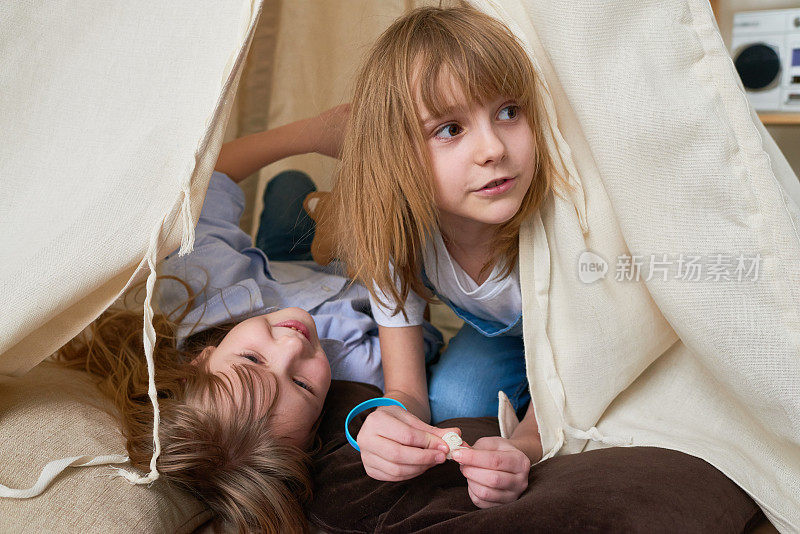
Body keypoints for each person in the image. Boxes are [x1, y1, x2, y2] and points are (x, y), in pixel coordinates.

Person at [55, 108, 448, 534]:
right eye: (303, 385)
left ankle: (288, 229)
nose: (292, 347)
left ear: (202, 358)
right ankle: (314, 232)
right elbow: (415, 326)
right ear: (318, 419)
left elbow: (204, 178)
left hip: (274, 268)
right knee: (300, 199)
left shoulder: (199, 281)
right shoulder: (365, 369)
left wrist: (308, 132)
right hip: (349, 275)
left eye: (254, 360)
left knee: (287, 186)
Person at [328, 6, 576, 507]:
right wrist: (384, 423)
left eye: (509, 111)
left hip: (578, 336)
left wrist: (523, 446)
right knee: (454, 402)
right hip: (505, 336)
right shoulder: (401, 242)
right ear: (393, 153)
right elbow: (406, 389)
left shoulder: (563, 222)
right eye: (449, 129)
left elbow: (581, 363)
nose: (493, 148)